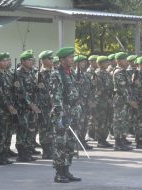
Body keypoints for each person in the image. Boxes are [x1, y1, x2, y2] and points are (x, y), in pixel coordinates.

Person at [50, 47, 81, 183]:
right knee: (60, 144)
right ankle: (59, 173)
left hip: (72, 113)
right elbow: (56, 96)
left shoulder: (71, 73)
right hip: (62, 115)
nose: (72, 59)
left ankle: (67, 171)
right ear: (62, 60)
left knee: (70, 144)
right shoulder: (56, 74)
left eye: (72, 57)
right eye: (69, 57)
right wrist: (61, 113)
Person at [0, 52, 17, 165]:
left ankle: (4, 154)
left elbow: (11, 91)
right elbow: (0, 94)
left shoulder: (8, 74)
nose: (6, 62)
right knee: (0, 133)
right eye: (3, 61)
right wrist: (9, 106)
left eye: (7, 60)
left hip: (8, 109)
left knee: (7, 132)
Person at [112, 52, 135, 151]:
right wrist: (130, 101)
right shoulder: (119, 72)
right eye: (124, 60)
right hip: (121, 100)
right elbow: (123, 89)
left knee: (125, 121)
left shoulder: (124, 71)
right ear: (118, 61)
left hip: (125, 100)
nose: (127, 62)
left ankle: (122, 140)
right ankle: (118, 143)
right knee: (119, 121)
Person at [36, 50, 54, 159]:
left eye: (52, 58)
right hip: (44, 106)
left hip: (53, 105)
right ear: (43, 61)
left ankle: (51, 148)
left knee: (51, 127)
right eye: (49, 59)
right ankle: (46, 150)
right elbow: (37, 92)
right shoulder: (39, 74)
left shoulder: (53, 72)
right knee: (44, 128)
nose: (52, 60)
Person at [93, 56, 113, 148]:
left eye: (107, 62)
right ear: (99, 64)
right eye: (105, 62)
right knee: (100, 121)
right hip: (100, 102)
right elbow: (98, 90)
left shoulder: (107, 74)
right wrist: (106, 98)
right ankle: (100, 140)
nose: (107, 63)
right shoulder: (97, 74)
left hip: (108, 101)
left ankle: (104, 139)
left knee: (106, 121)